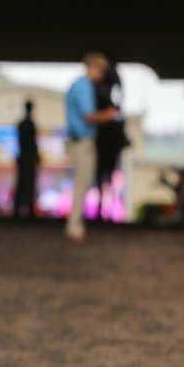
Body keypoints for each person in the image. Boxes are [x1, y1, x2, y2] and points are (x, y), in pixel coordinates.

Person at [65, 52, 119, 242]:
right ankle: (75, 225)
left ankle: (75, 223)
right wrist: (110, 114)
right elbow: (89, 116)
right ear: (94, 68)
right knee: (83, 183)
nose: (102, 76)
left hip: (78, 140)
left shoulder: (77, 84)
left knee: (83, 183)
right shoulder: (84, 85)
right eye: (102, 71)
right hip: (82, 141)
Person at [94, 62, 130, 219]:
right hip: (105, 135)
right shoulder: (101, 89)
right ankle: (103, 208)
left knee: (105, 175)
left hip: (107, 134)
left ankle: (105, 208)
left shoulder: (107, 86)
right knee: (104, 175)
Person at [14, 99, 40, 219]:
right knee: (26, 184)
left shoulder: (23, 124)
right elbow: (32, 144)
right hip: (27, 159)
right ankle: (23, 209)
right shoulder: (28, 124)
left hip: (24, 158)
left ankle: (21, 209)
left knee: (24, 184)